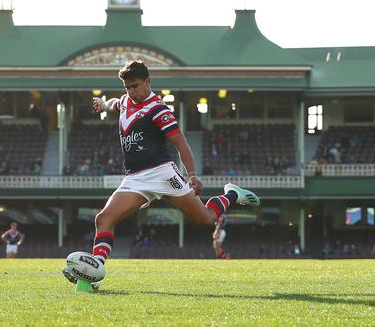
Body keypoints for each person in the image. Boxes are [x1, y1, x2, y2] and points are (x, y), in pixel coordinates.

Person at [62, 60, 260, 289]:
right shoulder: (126, 100)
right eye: (127, 87)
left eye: (135, 86)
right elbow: (117, 103)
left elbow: (181, 143)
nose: (131, 91)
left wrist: (192, 174)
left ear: (148, 81)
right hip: (135, 178)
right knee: (103, 219)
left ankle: (232, 195)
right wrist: (103, 104)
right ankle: (94, 271)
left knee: (205, 219)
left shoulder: (159, 110)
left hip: (163, 174)